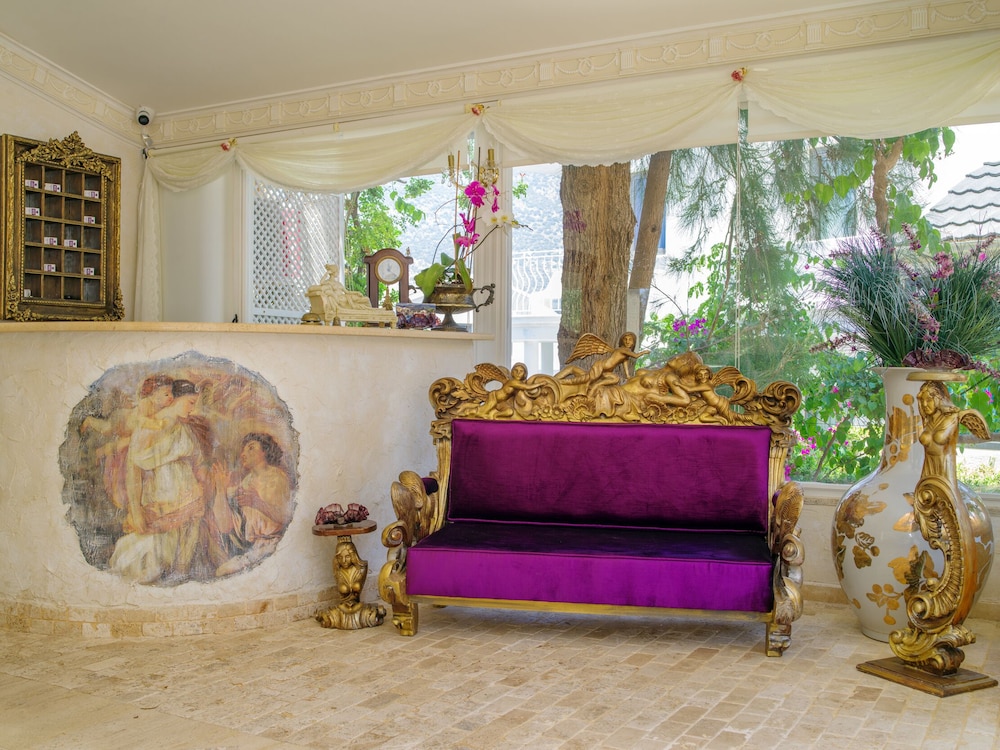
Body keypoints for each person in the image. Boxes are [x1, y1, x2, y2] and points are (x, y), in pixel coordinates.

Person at [108, 379, 213, 584]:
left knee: (183, 559)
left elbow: (197, 461)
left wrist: (202, 483)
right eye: (191, 403)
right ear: (175, 398)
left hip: (188, 497)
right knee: (156, 557)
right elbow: (133, 470)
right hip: (161, 496)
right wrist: (136, 510)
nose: (192, 409)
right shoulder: (149, 426)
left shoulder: (184, 428)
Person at [209, 432, 293, 576]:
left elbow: (286, 518)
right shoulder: (246, 482)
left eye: (251, 448)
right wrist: (220, 488)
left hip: (274, 545)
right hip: (253, 548)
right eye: (243, 450)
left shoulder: (276, 477)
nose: (243, 454)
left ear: (265, 451)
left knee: (224, 573)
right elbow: (225, 526)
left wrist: (258, 503)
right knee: (221, 572)